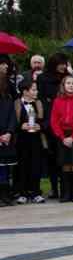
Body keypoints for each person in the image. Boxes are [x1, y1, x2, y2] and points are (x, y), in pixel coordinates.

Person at [50, 75, 73, 202]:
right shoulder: (57, 101)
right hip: (62, 135)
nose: (71, 85)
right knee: (65, 164)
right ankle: (65, 193)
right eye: (68, 83)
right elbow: (54, 121)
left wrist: (72, 137)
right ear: (63, 85)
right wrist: (62, 137)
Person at [37, 53, 69, 199]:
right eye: (61, 63)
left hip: (66, 123)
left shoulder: (67, 78)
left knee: (64, 157)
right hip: (50, 123)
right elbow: (41, 100)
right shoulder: (43, 78)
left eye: (65, 63)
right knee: (51, 158)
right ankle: (54, 188)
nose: (64, 66)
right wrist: (45, 122)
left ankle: (65, 188)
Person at [14, 78, 46, 204]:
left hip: (36, 139)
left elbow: (46, 120)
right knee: (22, 166)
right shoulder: (16, 103)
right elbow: (12, 120)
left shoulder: (39, 103)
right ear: (25, 91)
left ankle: (36, 192)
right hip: (21, 139)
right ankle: (23, 193)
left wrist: (41, 126)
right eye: (33, 89)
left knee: (36, 165)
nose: (36, 91)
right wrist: (20, 126)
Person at [0, 71, 17, 206]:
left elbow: (12, 117)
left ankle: (6, 195)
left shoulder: (7, 99)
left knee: (6, 168)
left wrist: (9, 133)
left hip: (7, 137)